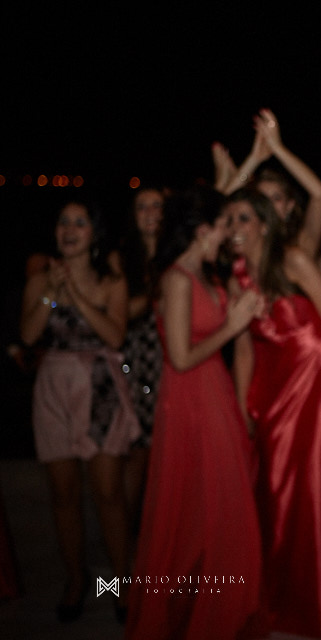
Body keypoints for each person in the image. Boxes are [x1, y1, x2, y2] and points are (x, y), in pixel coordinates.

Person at [226, 189, 321, 636]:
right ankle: (286, 587)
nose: (234, 228)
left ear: (261, 223)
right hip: (272, 386)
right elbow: (242, 349)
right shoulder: (237, 277)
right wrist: (241, 407)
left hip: (316, 381)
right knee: (273, 487)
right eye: (229, 219)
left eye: (242, 218)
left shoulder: (292, 260)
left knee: (312, 486)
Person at [125, 187, 264, 640]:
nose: (230, 233)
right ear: (203, 229)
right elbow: (180, 357)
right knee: (192, 512)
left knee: (224, 506)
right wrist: (234, 324)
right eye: (224, 224)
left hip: (216, 394)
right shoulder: (178, 279)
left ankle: (220, 611)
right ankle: (185, 616)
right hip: (188, 400)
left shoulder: (209, 275)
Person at [20, 200, 140, 622]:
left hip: (100, 385)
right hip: (54, 385)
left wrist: (78, 297)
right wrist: (52, 295)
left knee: (108, 494)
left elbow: (115, 335)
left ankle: (122, 584)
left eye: (79, 222)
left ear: (94, 233)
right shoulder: (39, 280)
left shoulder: (112, 281)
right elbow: (30, 333)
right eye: (63, 221)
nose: (69, 229)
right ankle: (75, 579)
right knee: (63, 494)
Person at [114, 186, 165, 535]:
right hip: (136, 357)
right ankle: (131, 534)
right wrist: (153, 289)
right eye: (141, 206)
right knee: (138, 450)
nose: (149, 212)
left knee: (171, 448)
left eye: (156, 206)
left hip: (173, 354)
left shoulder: (178, 252)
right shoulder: (121, 258)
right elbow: (122, 315)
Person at [213, 108, 321, 258]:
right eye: (262, 197)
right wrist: (254, 159)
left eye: (277, 198)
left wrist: (277, 148)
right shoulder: (243, 241)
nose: (268, 203)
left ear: (289, 206)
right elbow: (219, 208)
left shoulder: (301, 244)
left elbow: (319, 194)